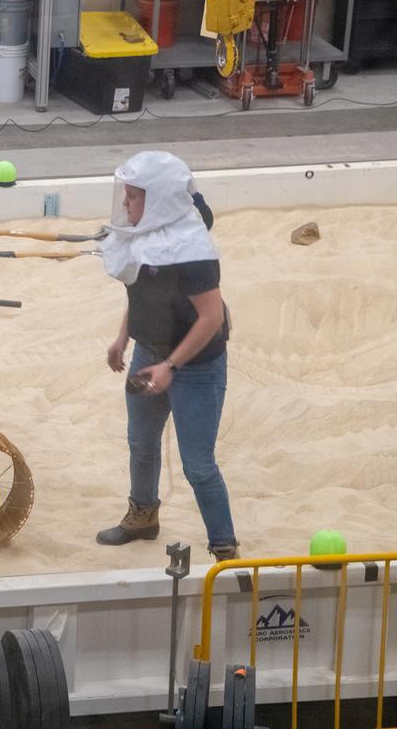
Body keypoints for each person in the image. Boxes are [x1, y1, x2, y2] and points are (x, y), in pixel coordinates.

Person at [97, 151, 238, 560]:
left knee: (198, 464)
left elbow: (211, 318)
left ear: (158, 200)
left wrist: (171, 366)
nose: (126, 204)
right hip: (148, 353)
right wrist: (123, 337)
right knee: (140, 443)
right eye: (126, 194)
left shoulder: (192, 251)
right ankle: (143, 517)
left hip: (195, 366)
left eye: (135, 196)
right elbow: (139, 291)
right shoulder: (141, 236)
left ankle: (224, 545)